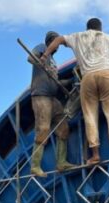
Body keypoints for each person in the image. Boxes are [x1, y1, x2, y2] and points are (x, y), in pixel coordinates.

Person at [43, 18, 109, 164]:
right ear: (100, 28)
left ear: (87, 27)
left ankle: (95, 155)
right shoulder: (107, 37)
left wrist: (46, 55)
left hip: (87, 77)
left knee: (90, 116)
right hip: (106, 74)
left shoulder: (77, 36)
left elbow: (58, 39)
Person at [29, 31, 77, 177]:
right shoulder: (42, 47)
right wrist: (40, 60)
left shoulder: (53, 62)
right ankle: (35, 166)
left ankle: (61, 162)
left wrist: (68, 82)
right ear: (52, 41)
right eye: (57, 42)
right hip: (41, 96)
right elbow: (30, 58)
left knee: (63, 128)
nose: (59, 46)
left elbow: (55, 81)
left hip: (52, 97)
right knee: (43, 128)